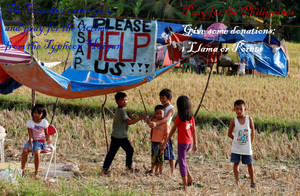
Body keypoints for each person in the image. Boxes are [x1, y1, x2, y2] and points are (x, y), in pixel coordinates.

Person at [102, 92, 146, 174]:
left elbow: (124, 120)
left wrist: (131, 117)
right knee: (130, 150)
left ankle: (105, 169)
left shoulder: (119, 110)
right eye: (123, 100)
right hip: (121, 137)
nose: (125, 102)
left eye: (126, 100)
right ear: (117, 101)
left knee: (111, 153)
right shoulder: (121, 111)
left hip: (115, 135)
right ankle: (128, 168)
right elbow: (129, 122)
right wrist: (140, 118)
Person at [162, 95, 197, 191]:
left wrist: (166, 140)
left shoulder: (180, 118)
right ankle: (189, 177)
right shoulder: (191, 117)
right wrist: (195, 143)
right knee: (183, 160)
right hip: (189, 143)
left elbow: (173, 130)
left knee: (181, 162)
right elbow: (194, 131)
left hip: (182, 143)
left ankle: (185, 185)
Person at [227, 99, 256, 188]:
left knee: (250, 164)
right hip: (236, 147)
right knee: (236, 164)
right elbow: (229, 133)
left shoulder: (249, 119)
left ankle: (252, 181)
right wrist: (236, 139)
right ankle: (237, 182)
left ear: (245, 109)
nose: (239, 111)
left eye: (241, 109)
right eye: (237, 109)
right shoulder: (234, 120)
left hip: (246, 148)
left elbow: (253, 132)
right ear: (234, 110)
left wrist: (250, 143)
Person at [148, 88, 175, 175]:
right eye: (160, 98)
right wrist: (151, 122)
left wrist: (156, 123)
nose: (161, 100)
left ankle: (172, 172)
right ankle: (154, 170)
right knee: (156, 153)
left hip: (165, 134)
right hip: (157, 134)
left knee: (169, 153)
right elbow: (153, 117)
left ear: (169, 98)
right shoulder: (161, 108)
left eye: (163, 98)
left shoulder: (171, 109)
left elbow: (166, 119)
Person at [21, 104, 51, 177]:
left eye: (39, 113)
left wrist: (49, 141)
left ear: (42, 114)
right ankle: (22, 170)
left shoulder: (44, 122)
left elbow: (47, 134)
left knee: (37, 152)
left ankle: (36, 172)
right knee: (25, 151)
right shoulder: (30, 122)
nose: (36, 115)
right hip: (32, 140)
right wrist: (31, 144)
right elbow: (30, 136)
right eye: (34, 112)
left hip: (40, 141)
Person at [149, 105, 168, 175]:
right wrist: (149, 119)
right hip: (154, 142)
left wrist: (164, 144)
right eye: (157, 113)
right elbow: (149, 123)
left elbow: (166, 135)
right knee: (154, 157)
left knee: (160, 159)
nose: (159, 115)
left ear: (164, 113)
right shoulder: (153, 121)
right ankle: (152, 170)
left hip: (161, 143)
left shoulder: (165, 124)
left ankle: (160, 172)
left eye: (161, 113)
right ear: (154, 114)